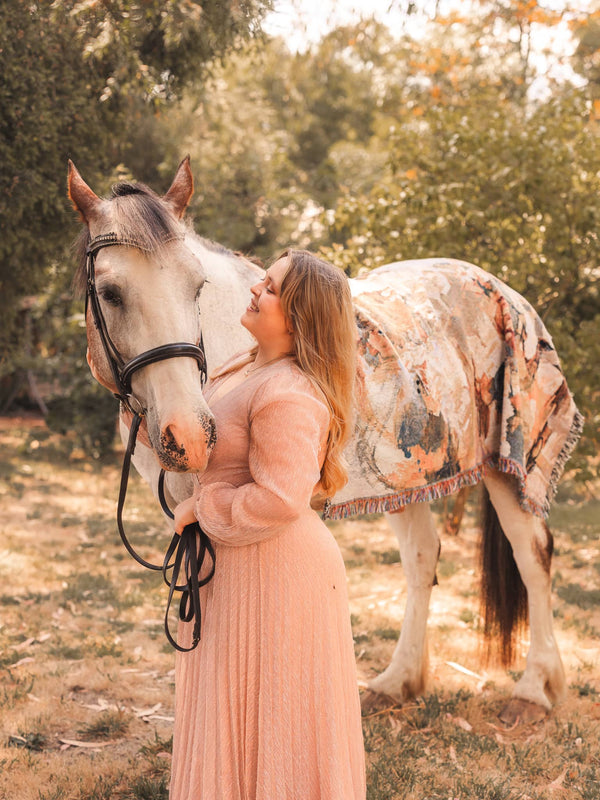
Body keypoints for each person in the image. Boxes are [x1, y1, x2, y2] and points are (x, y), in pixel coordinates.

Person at [171, 249, 366, 799]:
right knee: (231, 700)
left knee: (273, 708)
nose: (256, 289)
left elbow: (281, 498)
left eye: (273, 288)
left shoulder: (289, 392)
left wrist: (201, 512)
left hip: (275, 569)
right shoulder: (244, 366)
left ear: (301, 315)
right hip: (238, 564)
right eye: (264, 280)